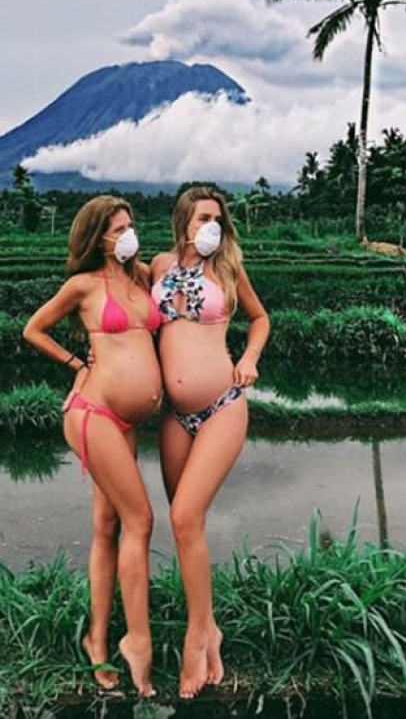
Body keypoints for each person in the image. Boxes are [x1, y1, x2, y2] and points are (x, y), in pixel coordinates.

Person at [22, 195, 161, 697]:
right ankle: (133, 643)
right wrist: (76, 365)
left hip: (126, 421)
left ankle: (94, 638)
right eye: (119, 228)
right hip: (94, 414)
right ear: (97, 236)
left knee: (107, 527)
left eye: (131, 225)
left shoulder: (141, 277)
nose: (129, 234)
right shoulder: (83, 285)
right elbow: (33, 330)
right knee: (140, 520)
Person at [150, 185, 270, 699]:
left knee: (182, 518)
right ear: (184, 220)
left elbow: (260, 318)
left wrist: (249, 359)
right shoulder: (156, 265)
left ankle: (197, 640)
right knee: (185, 526)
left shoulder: (227, 268)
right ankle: (210, 626)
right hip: (175, 416)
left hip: (222, 405)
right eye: (203, 216)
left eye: (218, 218)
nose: (211, 225)